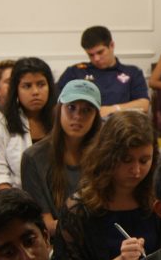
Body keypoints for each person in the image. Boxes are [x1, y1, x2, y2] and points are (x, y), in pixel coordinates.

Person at [54, 110, 161, 260]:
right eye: (126, 160)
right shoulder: (79, 210)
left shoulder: (157, 204)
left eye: (144, 160)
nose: (136, 171)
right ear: (107, 157)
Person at [22, 80, 102, 235]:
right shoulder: (33, 158)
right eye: (71, 108)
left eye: (87, 110)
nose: (77, 116)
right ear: (59, 109)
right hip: (59, 244)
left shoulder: (104, 154)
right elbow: (44, 224)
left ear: (95, 116)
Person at [0, 57, 55, 189]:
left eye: (41, 84)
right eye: (27, 86)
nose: (35, 92)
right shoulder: (0, 122)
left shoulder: (62, 117)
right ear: (16, 90)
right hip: (18, 199)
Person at [56, 26, 150, 117]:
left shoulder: (132, 72)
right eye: (91, 55)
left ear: (111, 45)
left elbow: (144, 104)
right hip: (83, 124)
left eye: (100, 52)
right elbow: (56, 99)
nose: (96, 58)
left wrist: (113, 109)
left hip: (119, 125)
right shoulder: (75, 72)